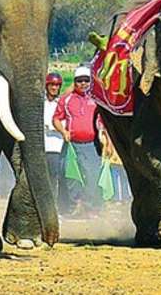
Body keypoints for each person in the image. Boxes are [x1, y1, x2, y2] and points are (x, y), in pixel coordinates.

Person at [53, 67, 102, 216]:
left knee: (93, 177)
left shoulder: (96, 99)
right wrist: (63, 131)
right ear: (74, 82)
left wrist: (104, 135)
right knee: (72, 178)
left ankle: (90, 207)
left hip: (91, 145)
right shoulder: (66, 99)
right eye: (80, 81)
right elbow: (56, 118)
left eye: (86, 80)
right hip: (72, 145)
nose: (83, 84)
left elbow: (103, 120)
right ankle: (74, 207)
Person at [42, 72, 68, 212]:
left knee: (54, 177)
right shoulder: (40, 103)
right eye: (52, 84)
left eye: (57, 85)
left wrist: (52, 126)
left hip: (55, 146)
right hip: (41, 145)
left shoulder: (61, 103)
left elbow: (63, 122)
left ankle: (53, 206)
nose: (54, 87)